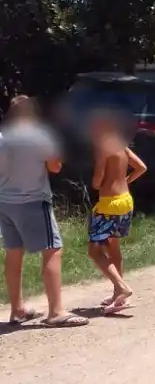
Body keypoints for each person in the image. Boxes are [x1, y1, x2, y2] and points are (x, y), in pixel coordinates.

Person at [0, 96, 88, 327]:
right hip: (33, 200)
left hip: (5, 203)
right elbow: (55, 166)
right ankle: (56, 311)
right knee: (52, 249)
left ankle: (17, 309)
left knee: (13, 252)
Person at [88, 110, 147, 313]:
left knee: (95, 251)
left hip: (109, 204)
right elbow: (141, 168)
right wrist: (125, 181)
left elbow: (97, 181)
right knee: (114, 249)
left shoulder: (103, 149)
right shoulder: (122, 146)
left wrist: (100, 181)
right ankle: (118, 296)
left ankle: (122, 287)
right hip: (125, 201)